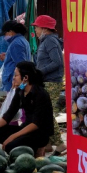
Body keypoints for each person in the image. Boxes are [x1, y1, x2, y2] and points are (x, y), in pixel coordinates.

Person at [0, 61, 53, 154]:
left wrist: (13, 137)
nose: (13, 78)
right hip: (25, 129)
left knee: (10, 146)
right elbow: (7, 117)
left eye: (15, 75)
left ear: (25, 77)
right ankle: (24, 146)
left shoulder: (40, 94)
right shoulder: (20, 91)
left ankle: (38, 149)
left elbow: (36, 124)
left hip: (39, 134)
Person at [32, 15, 64, 150]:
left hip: (51, 82)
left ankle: (60, 144)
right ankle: (48, 144)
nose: (36, 30)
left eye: (37, 27)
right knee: (45, 113)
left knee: (47, 114)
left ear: (45, 28)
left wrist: (39, 72)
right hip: (46, 81)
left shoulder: (50, 41)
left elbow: (57, 62)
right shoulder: (45, 41)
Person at [0, 20, 31, 94]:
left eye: (5, 34)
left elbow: (21, 65)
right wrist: (6, 58)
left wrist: (16, 82)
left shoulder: (15, 43)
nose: (4, 36)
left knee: (13, 102)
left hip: (13, 82)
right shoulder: (23, 40)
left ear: (11, 32)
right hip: (17, 81)